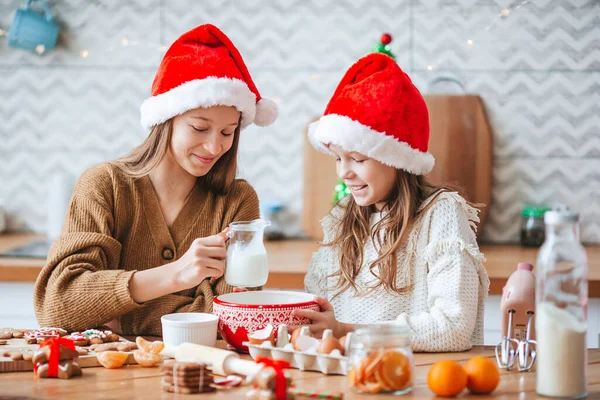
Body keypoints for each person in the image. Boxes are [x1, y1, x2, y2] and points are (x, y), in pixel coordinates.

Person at [33, 24, 278, 336]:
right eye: (200, 128)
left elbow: (233, 317)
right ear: (166, 120)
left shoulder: (237, 201)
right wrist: (177, 275)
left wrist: (118, 315)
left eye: (227, 132)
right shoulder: (104, 186)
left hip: (204, 375)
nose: (215, 146)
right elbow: (58, 305)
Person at [294, 53, 490, 352]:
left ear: (396, 159)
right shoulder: (343, 217)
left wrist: (347, 331)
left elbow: (453, 326)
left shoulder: (440, 214)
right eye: (338, 158)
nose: (344, 172)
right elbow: (321, 314)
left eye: (358, 159)